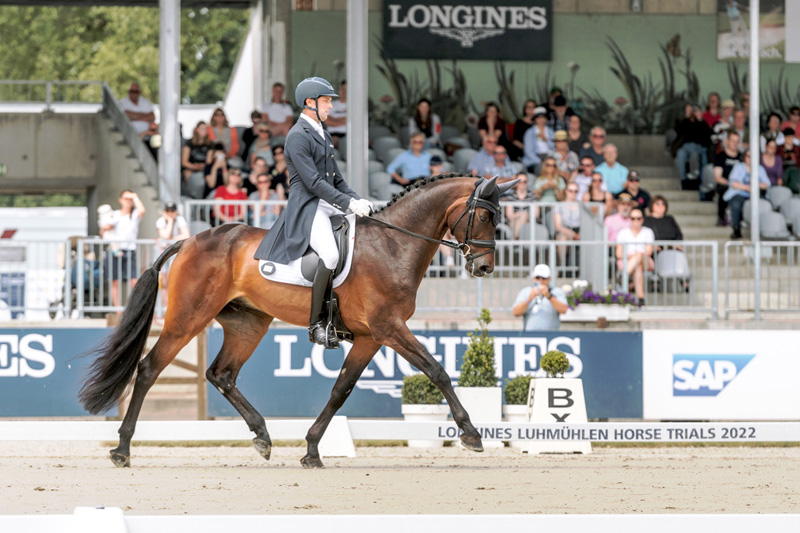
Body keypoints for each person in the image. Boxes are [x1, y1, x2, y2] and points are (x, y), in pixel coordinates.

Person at [253, 77, 372, 349]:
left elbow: (337, 180)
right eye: (327, 100)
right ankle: (317, 323)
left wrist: (357, 200)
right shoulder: (296, 136)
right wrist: (347, 204)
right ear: (310, 103)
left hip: (327, 201)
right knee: (330, 255)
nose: (331, 106)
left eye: (330, 100)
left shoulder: (323, 133)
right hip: (308, 206)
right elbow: (314, 183)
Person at [100, 190, 145, 309]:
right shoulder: (114, 214)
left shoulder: (134, 214)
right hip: (114, 249)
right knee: (115, 282)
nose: (128, 201)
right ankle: (118, 310)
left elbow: (142, 210)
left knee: (134, 281)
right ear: (120, 200)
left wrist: (135, 196)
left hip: (129, 250)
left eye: (130, 199)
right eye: (126, 199)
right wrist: (106, 229)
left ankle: (134, 308)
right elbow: (103, 230)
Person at [724, 149, 770, 239]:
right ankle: (736, 228)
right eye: (748, 156)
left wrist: (755, 186)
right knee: (736, 204)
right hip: (740, 193)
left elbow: (766, 184)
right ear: (745, 157)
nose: (750, 159)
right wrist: (747, 188)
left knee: (767, 204)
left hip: (756, 195)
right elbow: (733, 183)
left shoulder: (760, 168)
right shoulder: (738, 167)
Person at [616, 206, 654, 306]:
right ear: (629, 219)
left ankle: (624, 275)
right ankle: (641, 298)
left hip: (646, 260)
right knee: (638, 267)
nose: (636, 220)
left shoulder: (648, 231)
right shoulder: (623, 233)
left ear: (642, 219)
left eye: (638, 218)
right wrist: (633, 255)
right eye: (633, 218)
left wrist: (637, 255)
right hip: (629, 261)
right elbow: (618, 253)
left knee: (640, 255)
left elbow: (649, 251)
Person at [155, 202, 190, 311]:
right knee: (164, 281)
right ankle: (165, 307)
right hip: (162, 251)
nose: (170, 213)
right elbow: (165, 236)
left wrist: (171, 239)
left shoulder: (180, 219)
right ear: (165, 212)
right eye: (168, 211)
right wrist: (170, 222)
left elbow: (186, 235)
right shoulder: (161, 221)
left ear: (176, 212)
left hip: (174, 252)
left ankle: (173, 306)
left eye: (172, 211)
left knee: (173, 279)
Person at [511, 264, 568, 331]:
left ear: (549, 278)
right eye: (538, 278)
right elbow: (516, 312)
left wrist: (549, 296)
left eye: (544, 278)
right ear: (533, 278)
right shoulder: (526, 292)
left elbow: (563, 310)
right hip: (530, 335)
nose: (540, 281)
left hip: (551, 335)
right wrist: (530, 298)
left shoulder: (557, 292)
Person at [673, 103, 711, 187]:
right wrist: (686, 117)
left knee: (694, 150)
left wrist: (700, 119)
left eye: (694, 110)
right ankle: (683, 180)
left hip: (699, 147)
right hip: (686, 147)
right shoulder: (684, 122)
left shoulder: (701, 123)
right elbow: (678, 131)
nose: (692, 112)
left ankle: (697, 175)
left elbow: (708, 137)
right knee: (680, 153)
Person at [713, 130, 742, 226]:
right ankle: (721, 218)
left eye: (737, 141)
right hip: (725, 184)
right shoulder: (720, 156)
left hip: (741, 186)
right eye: (733, 141)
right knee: (724, 190)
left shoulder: (741, 158)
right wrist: (731, 184)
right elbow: (718, 177)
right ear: (727, 141)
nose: (735, 143)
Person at [181, 121, 211, 198]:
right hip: (191, 168)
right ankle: (192, 195)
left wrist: (204, 167)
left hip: (205, 169)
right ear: (196, 130)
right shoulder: (189, 143)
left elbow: (209, 161)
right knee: (187, 174)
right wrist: (195, 167)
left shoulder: (210, 144)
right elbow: (184, 162)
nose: (204, 131)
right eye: (202, 129)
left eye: (205, 129)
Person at [503, 172, 536, 240]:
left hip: (528, 222)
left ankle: (515, 238)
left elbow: (536, 214)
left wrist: (522, 215)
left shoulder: (532, 196)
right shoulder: (511, 196)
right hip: (513, 222)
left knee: (523, 215)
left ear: (527, 182)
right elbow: (509, 216)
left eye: (525, 182)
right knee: (522, 216)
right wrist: (521, 214)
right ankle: (517, 238)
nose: (522, 184)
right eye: (520, 182)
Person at [554, 184, 581, 264]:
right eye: (570, 191)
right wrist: (572, 234)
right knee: (562, 238)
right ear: (566, 191)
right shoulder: (559, 206)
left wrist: (579, 234)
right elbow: (558, 226)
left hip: (579, 230)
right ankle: (563, 265)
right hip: (565, 230)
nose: (573, 193)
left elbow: (586, 222)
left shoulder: (582, 206)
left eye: (576, 191)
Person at [522, 106, 553, 173]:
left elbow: (554, 146)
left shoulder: (550, 131)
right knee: (542, 168)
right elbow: (528, 151)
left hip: (549, 156)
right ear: (535, 119)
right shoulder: (530, 132)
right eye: (539, 118)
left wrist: (546, 140)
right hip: (535, 159)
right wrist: (540, 161)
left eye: (543, 117)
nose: (541, 120)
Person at [326, 80, 347, 149]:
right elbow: (328, 121)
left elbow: (356, 121)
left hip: (351, 134)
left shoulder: (355, 106)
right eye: (342, 89)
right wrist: (346, 120)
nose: (344, 92)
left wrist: (335, 119)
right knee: (333, 142)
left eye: (346, 89)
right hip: (334, 134)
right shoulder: (330, 104)